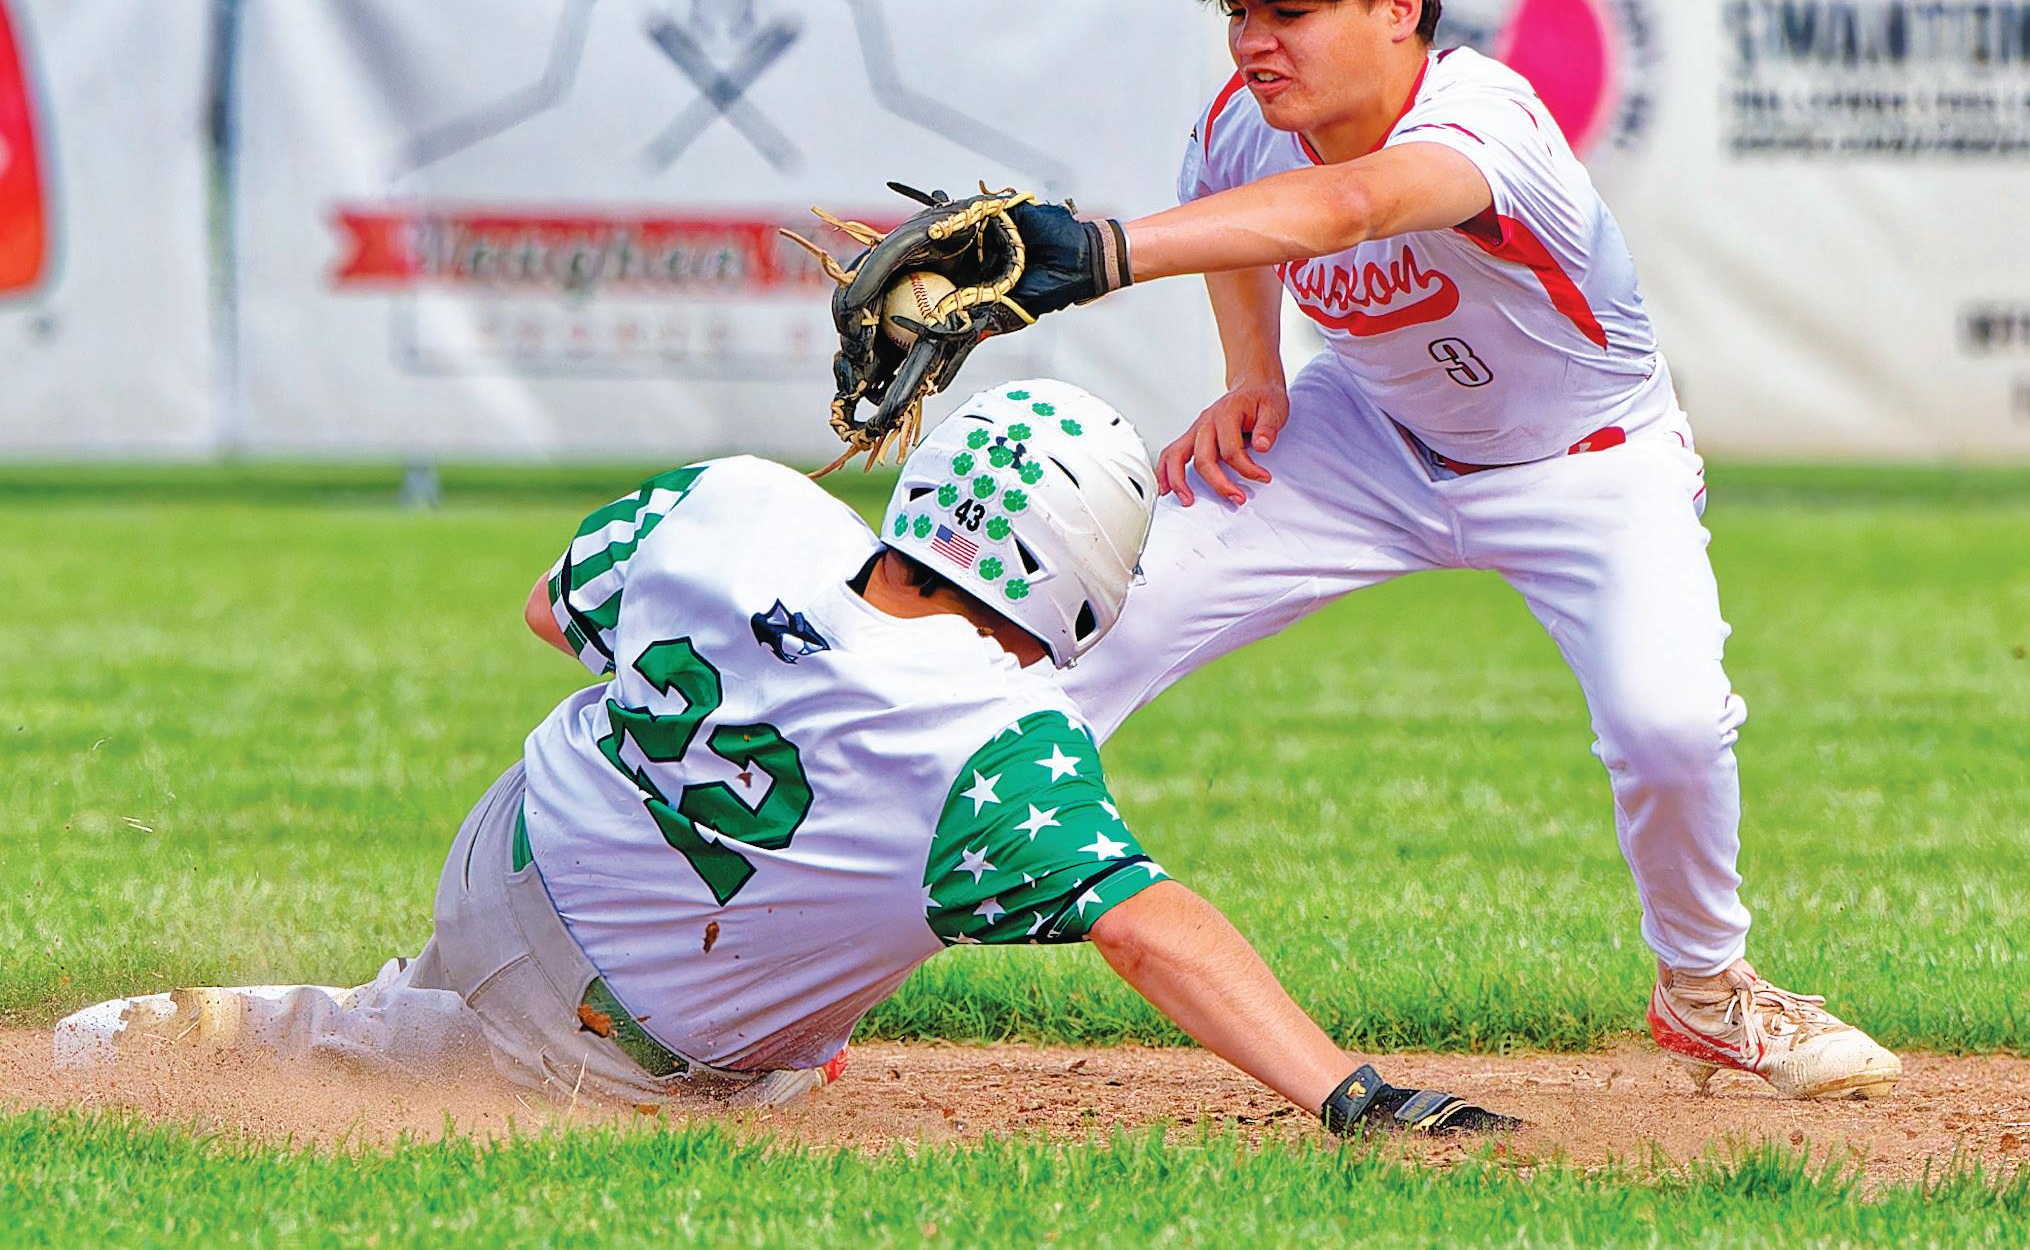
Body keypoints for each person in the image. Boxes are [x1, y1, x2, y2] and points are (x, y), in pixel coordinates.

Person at [962, 0, 1897, 1100]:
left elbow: (1346, 207)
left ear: (1398, 5)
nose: (1250, 39)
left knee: (1668, 729)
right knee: (1072, 637)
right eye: (1235, 8)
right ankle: (818, 970)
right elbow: (1234, 212)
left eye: (1290, 7)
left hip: (1587, 465)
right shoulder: (1244, 119)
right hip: (1361, 439)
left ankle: (1705, 988)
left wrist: (1098, 253)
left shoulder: (1484, 119)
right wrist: (1253, 374)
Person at [55, 380, 1515, 1137]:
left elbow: (550, 611)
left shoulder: (741, 498)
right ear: (1084, 564)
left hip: (506, 845)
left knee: (623, 926)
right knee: (622, 1079)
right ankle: (228, 1045)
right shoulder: (997, 740)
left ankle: (418, 994)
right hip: (608, 1037)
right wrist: (1348, 1090)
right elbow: (1150, 928)